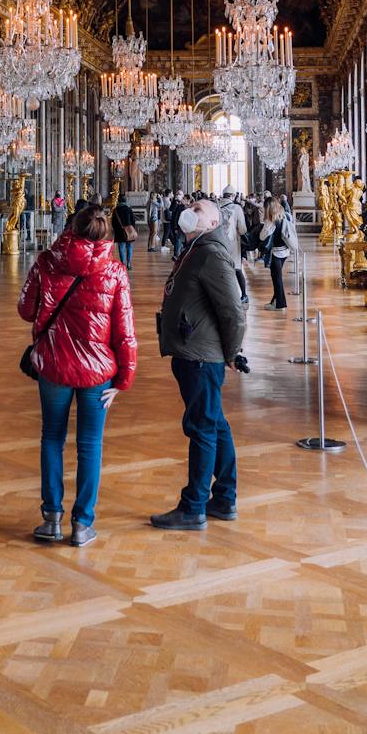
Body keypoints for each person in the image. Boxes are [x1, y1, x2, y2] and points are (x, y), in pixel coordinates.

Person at [18, 203, 137, 547]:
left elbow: (26, 310)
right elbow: (124, 331)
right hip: (98, 373)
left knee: (52, 439)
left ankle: (51, 518)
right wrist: (124, 379)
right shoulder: (115, 272)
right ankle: (82, 524)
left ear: (70, 228)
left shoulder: (46, 262)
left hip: (54, 365)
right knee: (90, 446)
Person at [151, 197, 246, 529]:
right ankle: (224, 497)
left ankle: (194, 506)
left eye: (198, 210)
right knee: (214, 424)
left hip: (202, 357)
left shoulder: (211, 253)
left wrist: (233, 353)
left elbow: (233, 311)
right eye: (191, 206)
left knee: (203, 428)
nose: (190, 211)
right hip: (193, 353)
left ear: (212, 223)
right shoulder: (195, 249)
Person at [217, 186, 249, 306]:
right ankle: (244, 295)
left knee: (221, 269)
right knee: (236, 269)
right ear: (233, 195)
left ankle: (223, 296)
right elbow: (242, 229)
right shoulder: (237, 208)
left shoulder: (216, 207)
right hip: (233, 243)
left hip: (218, 242)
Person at [261, 197, 294, 309]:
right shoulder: (284, 216)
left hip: (275, 253)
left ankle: (280, 304)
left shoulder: (270, 222)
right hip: (285, 251)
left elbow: (262, 237)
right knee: (276, 277)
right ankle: (274, 301)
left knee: (277, 278)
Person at [112, 193, 137, 268]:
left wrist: (116, 230)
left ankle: (123, 264)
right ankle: (129, 263)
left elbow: (113, 222)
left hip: (119, 231)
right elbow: (133, 220)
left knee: (121, 247)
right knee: (129, 247)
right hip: (129, 231)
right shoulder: (128, 209)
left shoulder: (116, 210)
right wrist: (132, 229)